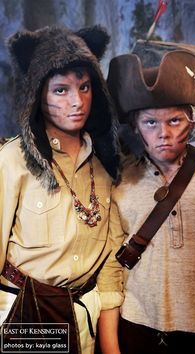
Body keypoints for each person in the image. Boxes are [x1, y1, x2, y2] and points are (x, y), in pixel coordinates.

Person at [0, 25, 124, 354]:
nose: (77, 101)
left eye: (84, 87)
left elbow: (112, 258)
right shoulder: (12, 161)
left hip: (86, 315)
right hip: (24, 314)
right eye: (61, 90)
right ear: (38, 94)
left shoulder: (106, 164)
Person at [107, 50, 195, 354]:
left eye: (175, 120)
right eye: (150, 123)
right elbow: (111, 268)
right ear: (136, 128)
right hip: (136, 326)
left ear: (191, 122)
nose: (163, 134)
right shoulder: (119, 178)